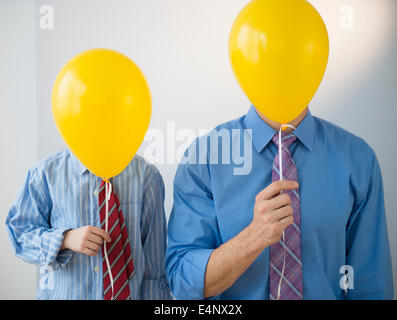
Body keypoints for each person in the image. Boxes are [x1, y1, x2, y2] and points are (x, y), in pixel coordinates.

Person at [165, 105, 393, 300]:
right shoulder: (205, 157)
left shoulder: (358, 159)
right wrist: (252, 238)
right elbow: (182, 280)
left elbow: (369, 284)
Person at [6, 149, 172, 300]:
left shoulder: (146, 175)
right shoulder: (46, 173)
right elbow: (20, 234)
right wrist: (64, 239)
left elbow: (154, 270)